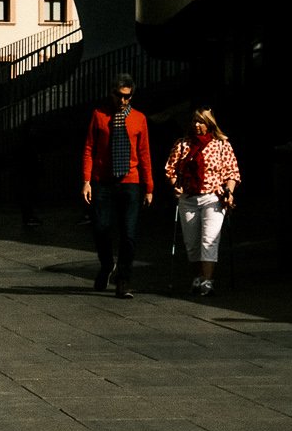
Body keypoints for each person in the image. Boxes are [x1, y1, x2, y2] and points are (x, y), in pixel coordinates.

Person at [82, 72, 153, 298]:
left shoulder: (139, 118)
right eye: (120, 96)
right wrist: (86, 181)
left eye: (127, 97)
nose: (123, 101)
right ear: (112, 93)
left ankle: (123, 280)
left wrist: (149, 186)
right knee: (101, 228)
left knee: (129, 233)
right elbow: (89, 149)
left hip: (130, 182)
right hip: (103, 182)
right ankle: (106, 265)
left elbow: (144, 154)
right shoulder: (99, 115)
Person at [164, 106, 242, 297]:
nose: (197, 125)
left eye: (201, 122)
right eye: (195, 122)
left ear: (209, 125)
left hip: (213, 198)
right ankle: (197, 277)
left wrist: (229, 191)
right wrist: (175, 185)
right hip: (188, 198)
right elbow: (170, 169)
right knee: (191, 242)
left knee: (209, 240)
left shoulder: (222, 145)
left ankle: (207, 281)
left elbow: (232, 173)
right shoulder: (182, 145)